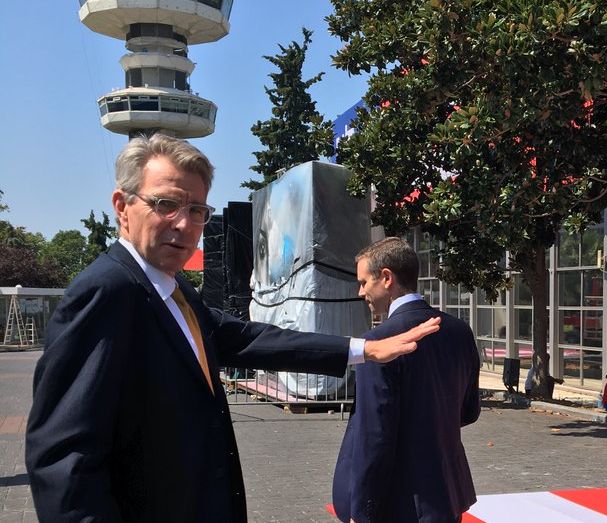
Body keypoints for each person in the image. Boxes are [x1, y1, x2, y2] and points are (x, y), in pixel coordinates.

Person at [25, 135, 440, 523]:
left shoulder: (174, 290)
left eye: (196, 210)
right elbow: (64, 460)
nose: (183, 224)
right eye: (166, 204)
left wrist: (364, 349)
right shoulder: (106, 293)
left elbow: (247, 338)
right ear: (122, 206)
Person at [332, 237, 481, 523]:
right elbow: (469, 411)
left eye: (364, 282)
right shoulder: (460, 331)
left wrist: (362, 512)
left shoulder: (377, 343)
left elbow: (374, 435)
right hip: (447, 495)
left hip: (400, 502)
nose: (360, 292)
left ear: (386, 278)